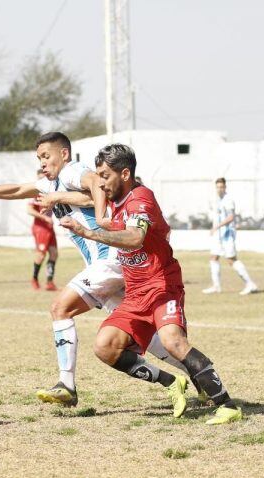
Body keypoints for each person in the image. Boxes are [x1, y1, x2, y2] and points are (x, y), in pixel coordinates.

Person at [0, 132, 199, 408]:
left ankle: (66, 385)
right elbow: (18, 190)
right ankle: (194, 376)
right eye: (39, 158)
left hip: (111, 259)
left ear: (64, 154)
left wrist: (93, 213)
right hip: (112, 267)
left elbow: (96, 186)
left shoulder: (73, 171)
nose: (43, 163)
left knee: (60, 308)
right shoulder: (51, 182)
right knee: (146, 337)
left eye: (46, 156)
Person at [60, 143, 242, 424]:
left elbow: (134, 238)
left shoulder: (140, 198)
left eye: (105, 175)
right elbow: (87, 197)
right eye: (98, 175)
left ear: (124, 173)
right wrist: (54, 197)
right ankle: (171, 382)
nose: (100, 182)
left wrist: (89, 231)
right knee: (105, 346)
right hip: (134, 292)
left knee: (173, 342)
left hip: (161, 285)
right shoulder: (114, 199)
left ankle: (227, 404)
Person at [202, 178, 258, 295]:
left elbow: (231, 217)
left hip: (227, 235)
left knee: (231, 260)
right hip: (219, 236)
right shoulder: (218, 200)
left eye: (221, 187)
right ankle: (216, 286)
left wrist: (216, 227)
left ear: (225, 187)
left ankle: (250, 284)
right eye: (217, 187)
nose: (219, 189)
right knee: (214, 257)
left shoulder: (228, 200)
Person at [27, 169, 58, 291]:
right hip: (40, 227)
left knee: (54, 253)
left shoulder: (50, 191)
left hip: (49, 227)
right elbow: (29, 210)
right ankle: (34, 279)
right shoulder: (35, 193)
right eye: (40, 179)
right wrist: (44, 218)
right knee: (40, 255)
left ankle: (49, 282)